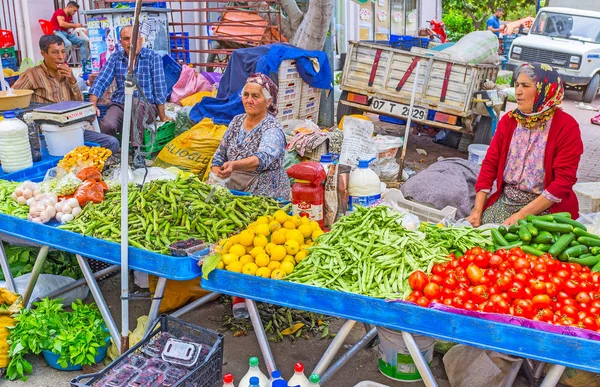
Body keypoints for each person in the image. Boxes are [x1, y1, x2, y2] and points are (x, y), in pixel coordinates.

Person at [466, 63, 583, 227]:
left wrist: (522, 215)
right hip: (506, 200)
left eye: (526, 86)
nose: (518, 92)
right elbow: (490, 164)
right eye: (517, 85)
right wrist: (477, 211)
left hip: (545, 209)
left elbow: (563, 181)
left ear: (545, 90)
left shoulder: (567, 127)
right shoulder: (510, 120)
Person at [13, 35, 120, 155]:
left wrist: (73, 80)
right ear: (43, 53)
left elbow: (80, 103)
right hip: (48, 133)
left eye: (63, 52)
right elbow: (14, 99)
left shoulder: (67, 74)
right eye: (55, 52)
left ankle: (88, 170)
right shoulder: (31, 75)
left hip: (73, 129)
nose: (61, 57)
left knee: (111, 142)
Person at [210, 73, 291, 200]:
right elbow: (220, 155)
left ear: (268, 101)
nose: (249, 100)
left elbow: (263, 158)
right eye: (246, 95)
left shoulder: (272, 128)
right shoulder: (237, 121)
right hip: (233, 186)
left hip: (264, 191)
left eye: (255, 96)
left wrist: (234, 165)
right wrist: (216, 175)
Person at [89, 25, 169, 147]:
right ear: (121, 42)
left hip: (146, 106)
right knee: (107, 125)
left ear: (141, 39)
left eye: (135, 38)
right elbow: (101, 80)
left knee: (136, 103)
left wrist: (162, 116)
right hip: (121, 104)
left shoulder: (153, 57)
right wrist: (92, 105)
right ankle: (109, 154)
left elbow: (159, 88)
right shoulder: (116, 58)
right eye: (126, 39)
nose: (131, 42)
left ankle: (137, 152)